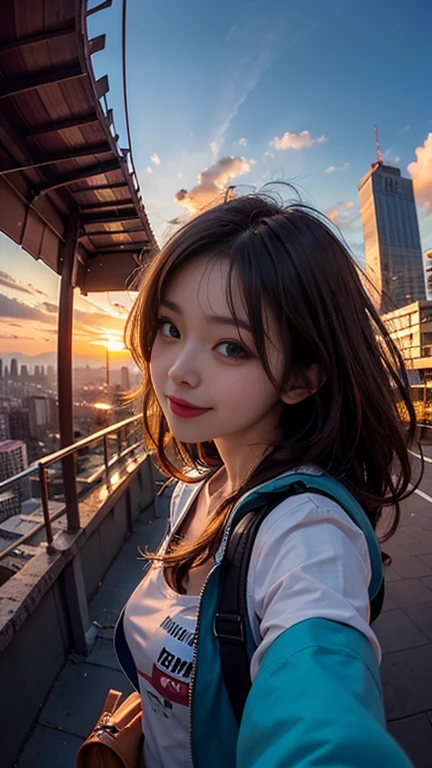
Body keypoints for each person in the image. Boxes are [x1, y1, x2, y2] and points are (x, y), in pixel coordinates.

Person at [116, 190, 417, 768]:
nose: (178, 370)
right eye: (170, 327)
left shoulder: (308, 536)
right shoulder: (198, 488)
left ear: (302, 379)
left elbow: (321, 708)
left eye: (231, 346)